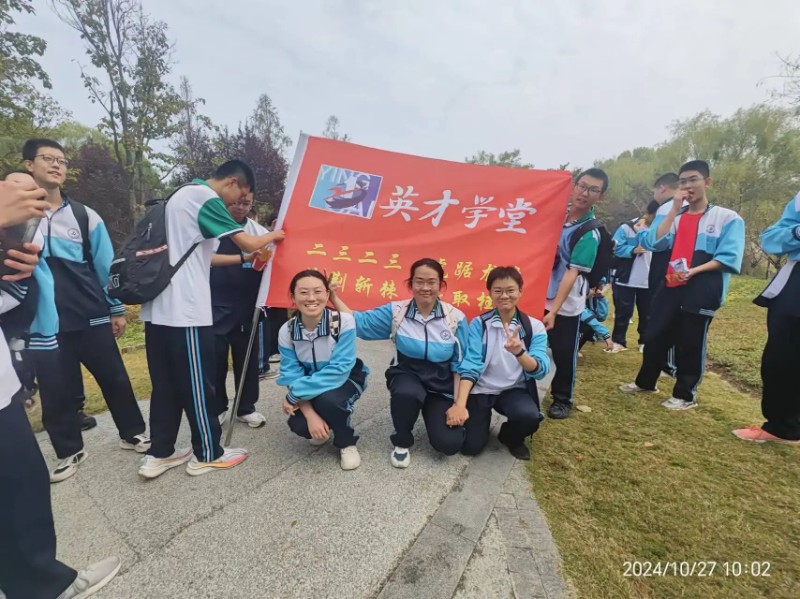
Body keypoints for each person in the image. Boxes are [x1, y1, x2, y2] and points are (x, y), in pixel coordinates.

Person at [0, 178, 121, 599]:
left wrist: (17, 278)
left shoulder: (83, 216)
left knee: (20, 481)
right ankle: (41, 585)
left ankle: (33, 582)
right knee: (20, 480)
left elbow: (104, 264)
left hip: (41, 340)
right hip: (45, 336)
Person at [138, 160, 285, 479]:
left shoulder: (178, 197)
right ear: (232, 182)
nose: (237, 203)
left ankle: (160, 453)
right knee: (197, 384)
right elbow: (250, 240)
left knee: (165, 386)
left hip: (158, 309)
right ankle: (208, 453)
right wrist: (278, 233)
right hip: (186, 312)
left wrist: (245, 258)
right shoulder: (203, 196)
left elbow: (206, 257)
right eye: (240, 195)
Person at [21, 140, 150, 483]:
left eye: (61, 160)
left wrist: (116, 308)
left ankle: (133, 433)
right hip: (44, 322)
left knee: (115, 378)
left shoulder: (84, 216)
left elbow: (106, 266)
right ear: (29, 165)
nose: (56, 165)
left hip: (90, 313)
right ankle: (68, 450)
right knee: (56, 390)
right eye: (48, 158)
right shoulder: (17, 217)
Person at [620, 160, 745, 409]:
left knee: (691, 341)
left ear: (707, 182)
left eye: (693, 180)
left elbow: (729, 257)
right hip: (671, 284)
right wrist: (674, 208)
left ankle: (685, 395)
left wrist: (694, 271)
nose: (688, 186)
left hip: (703, 287)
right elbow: (654, 243)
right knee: (654, 335)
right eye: (683, 182)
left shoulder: (727, 218)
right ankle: (646, 382)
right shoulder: (675, 217)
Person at [330, 258, 469, 468]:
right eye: (419, 281)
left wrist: (459, 405)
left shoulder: (455, 318)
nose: (425, 287)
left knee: (449, 445)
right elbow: (358, 322)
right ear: (410, 284)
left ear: (441, 285)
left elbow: (462, 365)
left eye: (431, 282)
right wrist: (333, 297)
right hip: (407, 373)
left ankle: (432, 412)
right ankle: (402, 441)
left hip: (441, 385)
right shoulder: (397, 311)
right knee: (407, 393)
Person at [454, 267, 549, 460]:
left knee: (529, 417)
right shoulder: (479, 324)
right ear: (490, 293)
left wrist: (519, 352)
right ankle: (479, 424)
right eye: (498, 291)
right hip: (481, 390)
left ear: (520, 292)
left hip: (513, 390)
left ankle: (510, 436)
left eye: (510, 290)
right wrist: (459, 405)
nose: (504, 296)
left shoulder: (534, 327)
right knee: (471, 447)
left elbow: (540, 370)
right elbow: (471, 364)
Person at [277, 270, 369, 470]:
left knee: (330, 401)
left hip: (347, 378)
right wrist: (309, 414)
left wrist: (295, 395)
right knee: (299, 424)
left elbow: (339, 370)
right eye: (303, 292)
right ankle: (323, 426)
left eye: (318, 291)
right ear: (293, 297)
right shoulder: (287, 330)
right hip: (308, 383)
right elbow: (292, 374)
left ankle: (346, 442)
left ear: (327, 295)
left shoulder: (343, 322)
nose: (311, 298)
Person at [733, 193, 800, 444]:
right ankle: (782, 427)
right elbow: (771, 239)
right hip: (795, 286)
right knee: (781, 357)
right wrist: (797, 233)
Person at [210, 192, 281, 429]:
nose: (240, 207)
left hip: (247, 305)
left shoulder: (258, 232)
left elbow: (271, 264)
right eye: (235, 202)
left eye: (246, 203)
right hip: (214, 305)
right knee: (216, 360)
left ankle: (246, 407)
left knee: (248, 358)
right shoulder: (212, 229)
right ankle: (217, 407)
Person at [543, 168, 609, 419]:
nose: (584, 193)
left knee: (563, 352)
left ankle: (562, 399)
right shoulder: (558, 216)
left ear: (600, 197)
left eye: (593, 190)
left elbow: (572, 273)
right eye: (581, 185)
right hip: (539, 291)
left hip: (566, 302)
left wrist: (554, 310)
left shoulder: (589, 232)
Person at [644, 173, 681, 374]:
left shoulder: (667, 208)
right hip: (681, 270)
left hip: (665, 270)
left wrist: (643, 233)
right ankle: (670, 364)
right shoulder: (689, 208)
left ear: (663, 188)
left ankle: (661, 366)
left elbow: (655, 242)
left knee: (660, 318)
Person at [609, 213, 652, 352]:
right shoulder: (626, 228)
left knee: (647, 313)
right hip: (626, 277)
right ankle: (618, 341)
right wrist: (633, 250)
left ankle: (644, 342)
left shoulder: (661, 227)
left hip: (649, 279)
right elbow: (615, 247)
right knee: (623, 312)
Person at [579, 284, 613, 352]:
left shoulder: (592, 298)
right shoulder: (576, 299)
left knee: (590, 327)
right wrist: (606, 335)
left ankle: (576, 349)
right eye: (594, 289)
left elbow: (601, 317)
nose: (597, 291)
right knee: (588, 325)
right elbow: (588, 317)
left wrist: (601, 299)